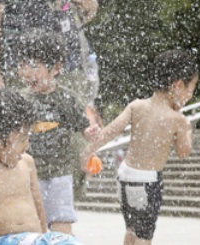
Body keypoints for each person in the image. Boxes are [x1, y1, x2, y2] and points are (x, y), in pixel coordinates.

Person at [82, 50, 198, 245]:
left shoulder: (137, 106)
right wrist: (186, 130)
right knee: (144, 237)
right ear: (177, 85)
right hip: (148, 181)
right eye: (191, 88)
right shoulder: (177, 120)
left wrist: (88, 150)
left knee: (131, 230)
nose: (190, 94)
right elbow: (183, 152)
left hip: (125, 176)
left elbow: (111, 131)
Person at [0, 89, 83, 245]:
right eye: (21, 139)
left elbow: (39, 212)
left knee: (68, 241)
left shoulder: (26, 163)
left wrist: (43, 237)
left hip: (34, 240)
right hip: (0, 241)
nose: (27, 145)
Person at [15, 32, 101, 235]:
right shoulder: (20, 100)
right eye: (23, 65)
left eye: (34, 66)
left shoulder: (66, 98)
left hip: (60, 174)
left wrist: (90, 132)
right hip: (28, 174)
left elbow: (82, 127)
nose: (27, 73)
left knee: (61, 224)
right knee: (32, 226)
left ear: (56, 68)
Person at [0, 0, 99, 107]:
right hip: (24, 70)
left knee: (77, 120)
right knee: (25, 121)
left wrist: (91, 7)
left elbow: (79, 16)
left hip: (70, 67)